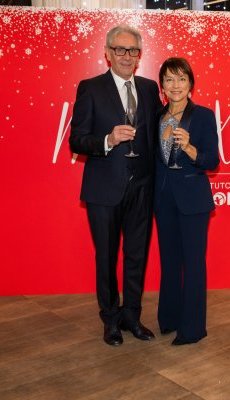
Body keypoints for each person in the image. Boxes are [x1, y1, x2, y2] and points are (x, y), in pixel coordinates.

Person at [69, 25, 161, 346]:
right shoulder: (90, 88)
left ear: (139, 55)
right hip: (104, 189)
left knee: (137, 255)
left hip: (142, 188)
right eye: (120, 49)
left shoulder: (149, 88)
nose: (126, 56)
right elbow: (77, 140)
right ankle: (110, 319)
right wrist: (108, 140)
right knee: (106, 258)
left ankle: (132, 316)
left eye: (132, 50)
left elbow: (158, 132)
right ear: (108, 53)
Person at [154, 57, 220, 345]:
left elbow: (212, 161)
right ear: (162, 86)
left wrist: (191, 149)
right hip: (163, 199)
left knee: (193, 264)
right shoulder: (156, 117)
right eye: (169, 79)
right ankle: (169, 319)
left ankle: (192, 329)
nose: (175, 85)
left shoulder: (203, 116)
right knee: (169, 261)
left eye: (181, 78)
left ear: (191, 84)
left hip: (193, 201)